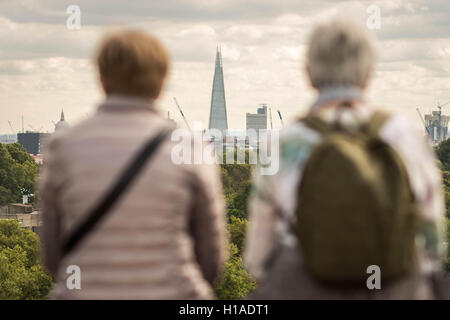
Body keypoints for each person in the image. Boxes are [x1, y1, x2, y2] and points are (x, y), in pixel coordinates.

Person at [244, 19, 448, 299]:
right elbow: (432, 240)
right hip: (394, 286)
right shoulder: (406, 136)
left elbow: (259, 255)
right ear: (369, 73)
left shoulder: (284, 142)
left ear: (308, 74)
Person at [40, 30, 226, 299]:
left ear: (102, 80)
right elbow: (211, 260)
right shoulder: (191, 148)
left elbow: (52, 257)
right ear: (162, 82)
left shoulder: (62, 147)